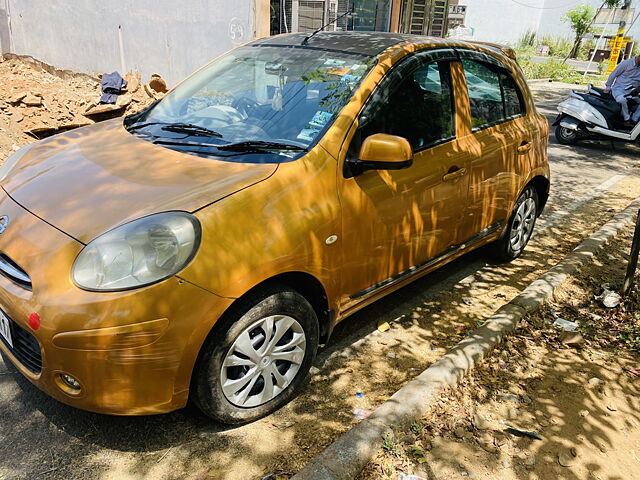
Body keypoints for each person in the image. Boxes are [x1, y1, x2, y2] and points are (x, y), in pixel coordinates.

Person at [604, 55, 640, 126]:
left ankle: (634, 119)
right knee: (622, 100)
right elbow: (613, 74)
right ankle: (626, 119)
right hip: (619, 89)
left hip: (632, 91)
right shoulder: (626, 63)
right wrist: (608, 87)